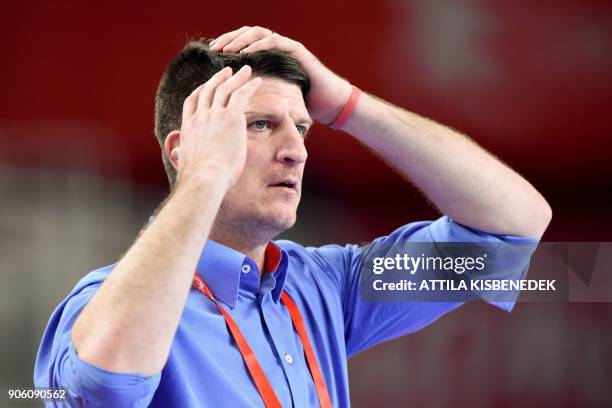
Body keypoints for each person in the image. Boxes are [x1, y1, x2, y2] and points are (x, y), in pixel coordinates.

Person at [34, 26, 552, 407]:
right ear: (183, 149)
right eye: (261, 125)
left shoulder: (323, 287)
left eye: (301, 129)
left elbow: (510, 227)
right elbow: (102, 384)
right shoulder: (99, 304)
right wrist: (205, 176)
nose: (296, 152)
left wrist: (348, 106)